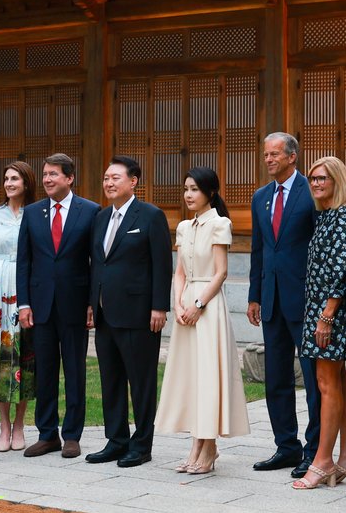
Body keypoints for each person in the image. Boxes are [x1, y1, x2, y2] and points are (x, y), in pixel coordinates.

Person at [154, 167, 250, 474]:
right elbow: (179, 272)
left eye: (194, 189)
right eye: (186, 189)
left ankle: (208, 445)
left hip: (208, 309)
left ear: (209, 192)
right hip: (186, 307)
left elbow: (221, 272)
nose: (188, 195)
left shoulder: (219, 224)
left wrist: (197, 303)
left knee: (208, 376)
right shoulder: (183, 227)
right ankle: (196, 442)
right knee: (191, 377)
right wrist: (178, 303)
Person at [86, 156, 172, 469]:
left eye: (115, 178)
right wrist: (91, 303)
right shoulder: (100, 217)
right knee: (110, 379)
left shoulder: (150, 216)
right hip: (106, 313)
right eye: (106, 178)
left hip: (139, 312)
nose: (108, 183)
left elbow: (162, 265)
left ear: (133, 181)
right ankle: (116, 440)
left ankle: (141, 444)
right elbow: (98, 264)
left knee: (141, 380)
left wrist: (159, 306)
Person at [16, 153, 100, 459]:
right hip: (39, 305)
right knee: (45, 371)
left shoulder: (90, 211)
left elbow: (96, 263)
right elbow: (24, 261)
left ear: (69, 177)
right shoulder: (33, 212)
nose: (48, 179)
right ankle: (46, 433)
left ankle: (72, 435)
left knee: (75, 370)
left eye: (54, 174)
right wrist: (24, 302)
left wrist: (93, 302)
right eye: (45, 173)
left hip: (75, 304)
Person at [247, 131, 321, 479]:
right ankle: (286, 446)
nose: (269, 160)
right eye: (265, 155)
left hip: (305, 300)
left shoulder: (313, 192)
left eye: (275, 154)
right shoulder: (260, 197)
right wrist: (254, 295)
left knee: (311, 377)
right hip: (272, 299)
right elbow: (259, 250)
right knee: (276, 377)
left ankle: (315, 450)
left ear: (293, 156)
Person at [291, 155, 346, 490]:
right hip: (318, 310)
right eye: (313, 179)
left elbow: (343, 272)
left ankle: (322, 462)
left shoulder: (343, 218)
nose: (316, 184)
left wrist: (326, 317)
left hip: (328, 314)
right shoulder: (324, 217)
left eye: (323, 179)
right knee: (338, 382)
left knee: (325, 384)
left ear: (337, 181)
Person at [0, 161, 38, 452]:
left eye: (15, 178)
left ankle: (21, 423)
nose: (10, 183)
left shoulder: (36, 214)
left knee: (23, 356)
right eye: (6, 179)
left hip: (24, 288)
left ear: (27, 182)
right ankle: (3, 425)